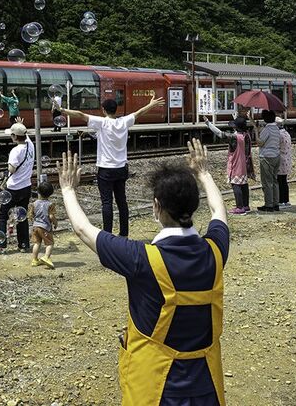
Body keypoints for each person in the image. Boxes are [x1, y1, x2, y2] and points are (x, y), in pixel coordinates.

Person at [59, 139, 229, 405]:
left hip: (156, 389)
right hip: (206, 386)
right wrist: (204, 172)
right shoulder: (215, 251)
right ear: (194, 206)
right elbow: (219, 210)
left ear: (156, 207)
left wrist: (68, 189)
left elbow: (83, 229)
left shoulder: (141, 258)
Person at [59, 93, 165, 236]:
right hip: (121, 169)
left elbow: (80, 114)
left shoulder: (102, 122)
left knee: (107, 202)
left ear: (103, 110)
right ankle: (124, 233)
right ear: (116, 110)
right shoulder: (124, 121)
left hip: (105, 169)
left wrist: (63, 110)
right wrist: (151, 104)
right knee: (122, 202)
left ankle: (107, 234)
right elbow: (139, 112)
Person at [0, 122, 36, 253]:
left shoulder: (15, 151)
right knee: (22, 214)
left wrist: (8, 169)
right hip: (26, 187)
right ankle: (24, 245)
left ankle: (0, 245)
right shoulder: (30, 146)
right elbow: (26, 136)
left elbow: (12, 169)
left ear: (15, 136)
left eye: (12, 135)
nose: (11, 137)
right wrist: (21, 124)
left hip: (13, 189)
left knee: (2, 215)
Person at [207, 117, 254, 215]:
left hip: (236, 164)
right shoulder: (247, 135)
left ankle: (240, 207)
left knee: (236, 185)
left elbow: (220, 134)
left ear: (236, 127)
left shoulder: (234, 137)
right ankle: (246, 205)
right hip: (245, 165)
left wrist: (208, 124)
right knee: (244, 185)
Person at [256, 110, 282, 212]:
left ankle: (269, 205)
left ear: (265, 119)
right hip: (276, 156)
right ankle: (276, 203)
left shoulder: (266, 129)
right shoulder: (276, 128)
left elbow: (260, 143)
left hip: (266, 157)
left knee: (267, 182)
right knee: (275, 181)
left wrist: (256, 132)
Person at [30, 181, 58, 269]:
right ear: (51, 193)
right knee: (50, 243)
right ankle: (46, 257)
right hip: (45, 228)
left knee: (37, 243)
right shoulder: (50, 204)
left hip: (35, 227)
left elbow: (31, 215)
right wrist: (55, 222)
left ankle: (34, 260)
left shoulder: (34, 203)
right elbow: (51, 216)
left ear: (38, 192)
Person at [277, 117, 293, 207]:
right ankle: (286, 200)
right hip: (287, 160)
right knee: (284, 181)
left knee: (280, 181)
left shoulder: (279, 134)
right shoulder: (286, 133)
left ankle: (281, 200)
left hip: (281, 160)